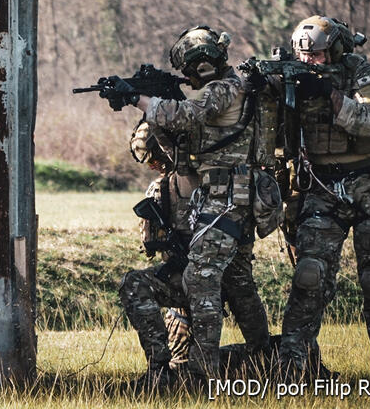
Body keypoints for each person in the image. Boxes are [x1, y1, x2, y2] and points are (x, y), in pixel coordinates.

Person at [112, 26, 271, 382]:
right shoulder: (209, 99)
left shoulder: (228, 88)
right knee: (146, 283)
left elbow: (186, 114)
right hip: (203, 213)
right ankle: (162, 372)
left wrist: (138, 98)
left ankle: (205, 376)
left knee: (213, 282)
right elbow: (174, 153)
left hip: (228, 204)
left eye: (197, 66)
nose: (194, 73)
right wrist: (152, 106)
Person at [277, 16, 370, 381]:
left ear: (334, 51)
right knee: (308, 276)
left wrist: (328, 93)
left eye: (315, 55)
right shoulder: (294, 76)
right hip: (321, 187)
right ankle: (293, 372)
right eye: (303, 55)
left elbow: (369, 122)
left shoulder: (362, 73)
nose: (308, 61)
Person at [118, 120, 193, 386]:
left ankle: (158, 371)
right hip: (187, 283)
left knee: (133, 283)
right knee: (184, 368)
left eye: (153, 160)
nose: (152, 167)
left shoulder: (166, 187)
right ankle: (163, 372)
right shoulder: (199, 178)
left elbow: (149, 244)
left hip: (201, 282)